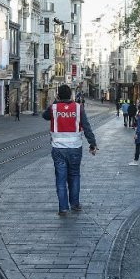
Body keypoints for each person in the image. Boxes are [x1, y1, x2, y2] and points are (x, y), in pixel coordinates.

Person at [42, 84, 97, 216]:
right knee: (74, 175)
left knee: (60, 179)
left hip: (58, 149)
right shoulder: (78, 108)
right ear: (71, 95)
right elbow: (87, 127)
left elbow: (44, 116)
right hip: (75, 148)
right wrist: (92, 143)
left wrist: (56, 101)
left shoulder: (54, 108)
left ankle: (63, 208)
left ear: (58, 95)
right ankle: (75, 204)